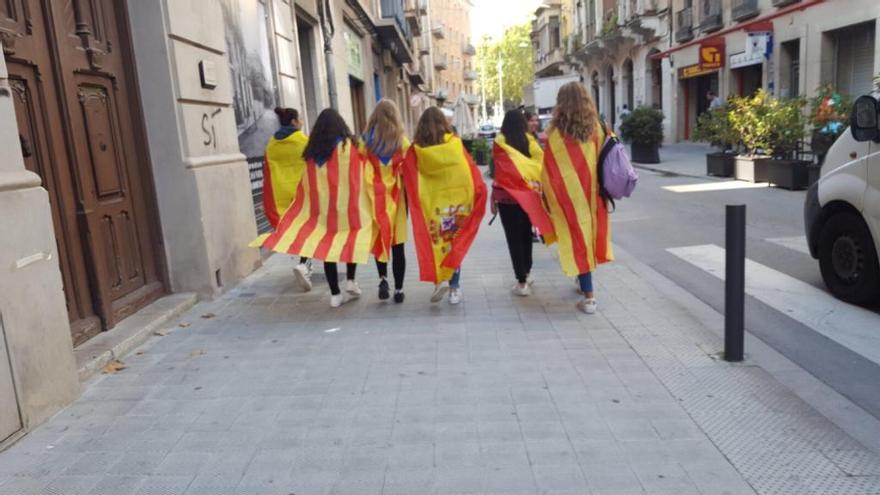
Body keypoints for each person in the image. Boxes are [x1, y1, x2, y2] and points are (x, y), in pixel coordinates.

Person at [258, 108, 372, 308]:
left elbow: (307, 181)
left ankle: (335, 294)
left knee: (328, 248)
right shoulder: (349, 146)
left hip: (323, 209)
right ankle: (352, 282)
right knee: (349, 240)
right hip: (346, 206)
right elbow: (360, 171)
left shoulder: (312, 151)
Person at [403, 107, 487, 305]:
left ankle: (438, 281)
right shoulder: (455, 144)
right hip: (455, 206)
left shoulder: (416, 149)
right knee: (453, 245)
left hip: (432, 207)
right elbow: (468, 170)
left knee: (436, 243)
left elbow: (408, 174)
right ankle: (454, 289)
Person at [541, 82, 613, 314]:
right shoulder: (598, 128)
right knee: (587, 238)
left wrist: (548, 200)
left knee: (578, 240)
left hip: (567, 198)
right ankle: (584, 283)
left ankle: (589, 296)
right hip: (594, 195)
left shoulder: (554, 135)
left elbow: (548, 172)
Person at [491, 110, 556, 297]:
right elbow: (540, 165)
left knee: (513, 239)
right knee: (526, 236)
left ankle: (521, 281)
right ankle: (526, 273)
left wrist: (493, 198)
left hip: (506, 198)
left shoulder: (499, 143)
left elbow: (497, 172)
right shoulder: (529, 141)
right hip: (528, 198)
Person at [362, 99, 410, 303]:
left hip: (375, 200)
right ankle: (399, 290)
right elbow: (412, 171)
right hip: (397, 201)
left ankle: (383, 279)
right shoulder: (402, 142)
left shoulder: (366, 142)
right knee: (398, 244)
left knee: (380, 240)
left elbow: (357, 168)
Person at [262, 108, 314, 291]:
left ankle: (304, 263)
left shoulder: (271, 144)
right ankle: (304, 264)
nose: (301, 121)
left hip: (281, 195)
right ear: (293, 121)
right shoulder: (303, 140)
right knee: (308, 229)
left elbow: (267, 171)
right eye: (299, 118)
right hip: (302, 194)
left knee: (297, 231)